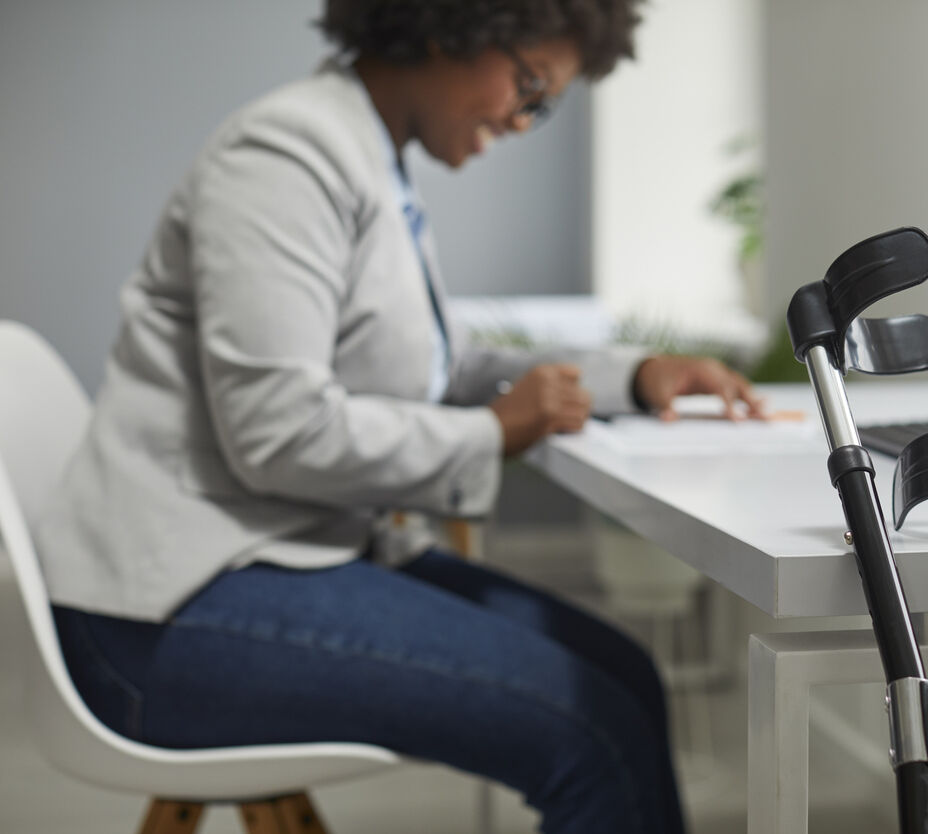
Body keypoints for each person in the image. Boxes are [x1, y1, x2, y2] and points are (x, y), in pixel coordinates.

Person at [33, 2, 765, 832]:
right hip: (163, 617)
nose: (527, 121)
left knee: (623, 674)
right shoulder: (286, 158)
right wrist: (497, 432)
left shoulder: (368, 160)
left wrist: (633, 378)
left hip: (275, 560)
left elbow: (439, 369)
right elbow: (280, 432)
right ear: (448, 26)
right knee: (588, 724)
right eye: (531, 87)